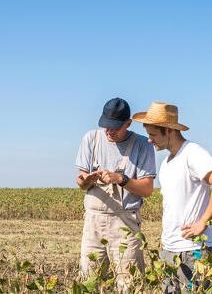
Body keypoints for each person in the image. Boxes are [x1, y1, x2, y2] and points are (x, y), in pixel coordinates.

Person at [133, 101, 212, 293]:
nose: (149, 140)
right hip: (170, 249)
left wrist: (204, 221)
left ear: (169, 131)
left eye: (153, 135)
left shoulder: (192, 153)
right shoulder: (167, 163)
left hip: (193, 250)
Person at [75, 97, 156, 289]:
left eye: (115, 127)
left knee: (129, 284)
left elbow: (147, 189)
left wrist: (121, 179)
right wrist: (86, 181)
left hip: (125, 223)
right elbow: (80, 180)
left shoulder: (142, 144)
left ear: (128, 123)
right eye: (106, 126)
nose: (109, 131)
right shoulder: (91, 139)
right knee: (89, 280)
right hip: (93, 221)